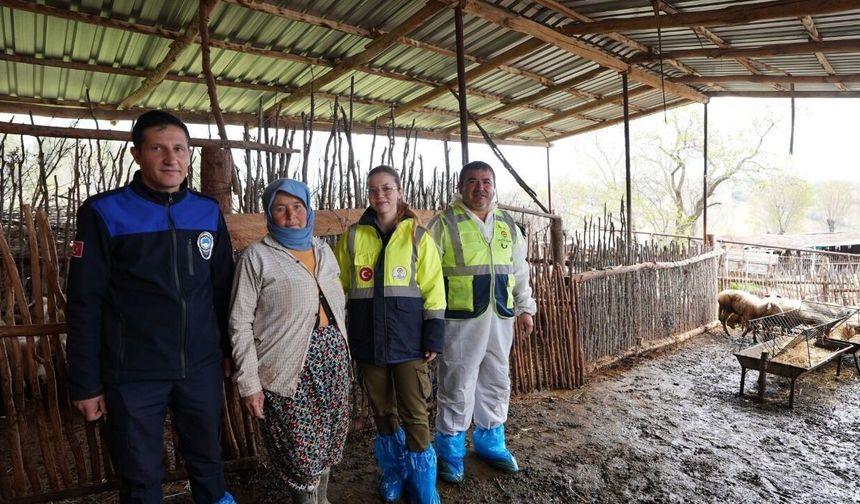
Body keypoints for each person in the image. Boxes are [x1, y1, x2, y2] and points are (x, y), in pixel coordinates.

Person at [66, 111, 236, 504]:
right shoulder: (105, 212)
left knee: (209, 462)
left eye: (179, 149)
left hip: (200, 365)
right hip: (133, 371)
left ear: (190, 156)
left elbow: (222, 290)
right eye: (158, 148)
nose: (170, 158)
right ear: (136, 154)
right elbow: (84, 301)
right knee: (140, 476)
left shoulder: (207, 211)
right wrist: (86, 383)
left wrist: (226, 352)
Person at [229, 179, 351, 504]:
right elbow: (239, 322)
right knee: (300, 453)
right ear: (269, 214)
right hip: (286, 368)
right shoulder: (257, 257)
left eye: (298, 207)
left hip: (332, 360)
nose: (291, 216)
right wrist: (249, 383)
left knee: (328, 441)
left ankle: (320, 500)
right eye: (280, 209)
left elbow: (337, 304)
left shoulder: (323, 250)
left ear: (308, 209)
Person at [334, 165, 446, 504]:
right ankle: (394, 473)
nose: (380, 195)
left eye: (387, 189)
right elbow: (338, 288)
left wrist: (433, 335)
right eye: (373, 190)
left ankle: (424, 485)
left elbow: (434, 291)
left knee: (415, 413)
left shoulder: (418, 237)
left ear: (398, 191)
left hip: (409, 343)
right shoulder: (353, 237)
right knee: (382, 412)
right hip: (368, 342)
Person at [428, 161, 537, 483]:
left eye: (486, 181)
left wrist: (525, 308)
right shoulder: (443, 224)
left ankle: (491, 442)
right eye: (472, 181)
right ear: (460, 187)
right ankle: (450, 450)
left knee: (496, 379)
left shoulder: (507, 224)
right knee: (457, 383)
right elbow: (428, 276)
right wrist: (429, 320)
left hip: (500, 317)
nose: (480, 188)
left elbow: (519, 271)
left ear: (494, 186)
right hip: (460, 320)